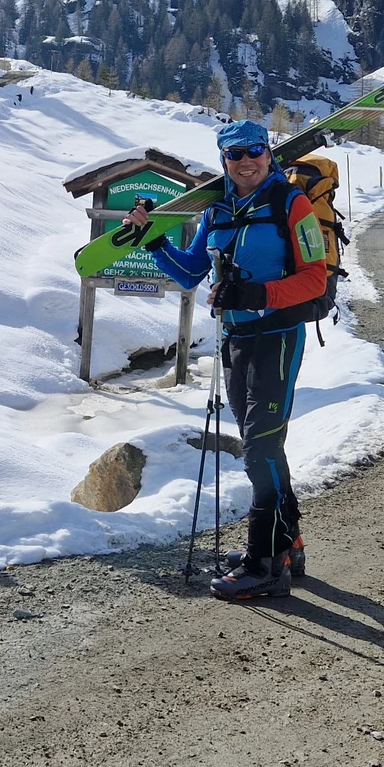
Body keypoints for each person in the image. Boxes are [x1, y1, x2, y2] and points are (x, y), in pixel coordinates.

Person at [127, 119, 330, 601]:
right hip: (234, 340)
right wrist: (155, 241)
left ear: (268, 154)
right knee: (262, 445)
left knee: (260, 448)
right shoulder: (218, 210)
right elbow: (191, 271)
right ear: (224, 160)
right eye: (235, 154)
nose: (246, 161)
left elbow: (315, 279)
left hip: (277, 338)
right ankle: (288, 541)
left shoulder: (290, 203)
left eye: (255, 150)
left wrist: (257, 291)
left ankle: (266, 563)